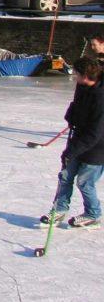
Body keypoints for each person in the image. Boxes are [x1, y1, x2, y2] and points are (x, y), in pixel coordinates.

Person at [41, 57, 104, 229]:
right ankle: (59, 209)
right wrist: (71, 116)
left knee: (85, 182)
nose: (74, 76)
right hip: (79, 139)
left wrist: (72, 150)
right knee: (65, 176)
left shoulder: (100, 97)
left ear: (85, 75)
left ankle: (93, 214)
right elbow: (76, 104)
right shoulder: (82, 86)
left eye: (77, 73)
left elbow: (95, 133)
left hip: (97, 147)